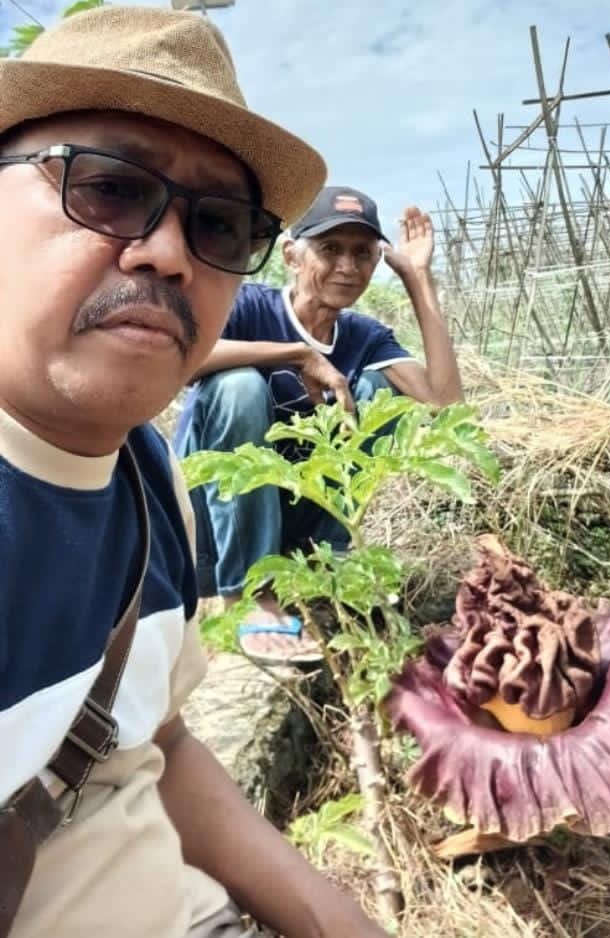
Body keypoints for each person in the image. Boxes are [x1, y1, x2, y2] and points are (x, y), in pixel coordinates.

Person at [0, 6, 390, 938]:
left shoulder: (144, 471)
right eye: (106, 188)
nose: (168, 251)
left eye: (217, 223)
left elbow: (155, 744)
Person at [174, 186, 463, 664]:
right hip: (212, 520)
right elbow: (179, 361)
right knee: (240, 386)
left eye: (363, 253)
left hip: (293, 527)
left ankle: (329, 567)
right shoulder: (248, 309)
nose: (347, 267)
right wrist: (296, 353)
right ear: (291, 255)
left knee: (378, 392)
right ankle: (251, 595)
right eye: (330, 249)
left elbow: (446, 405)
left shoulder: (363, 337)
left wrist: (417, 279)